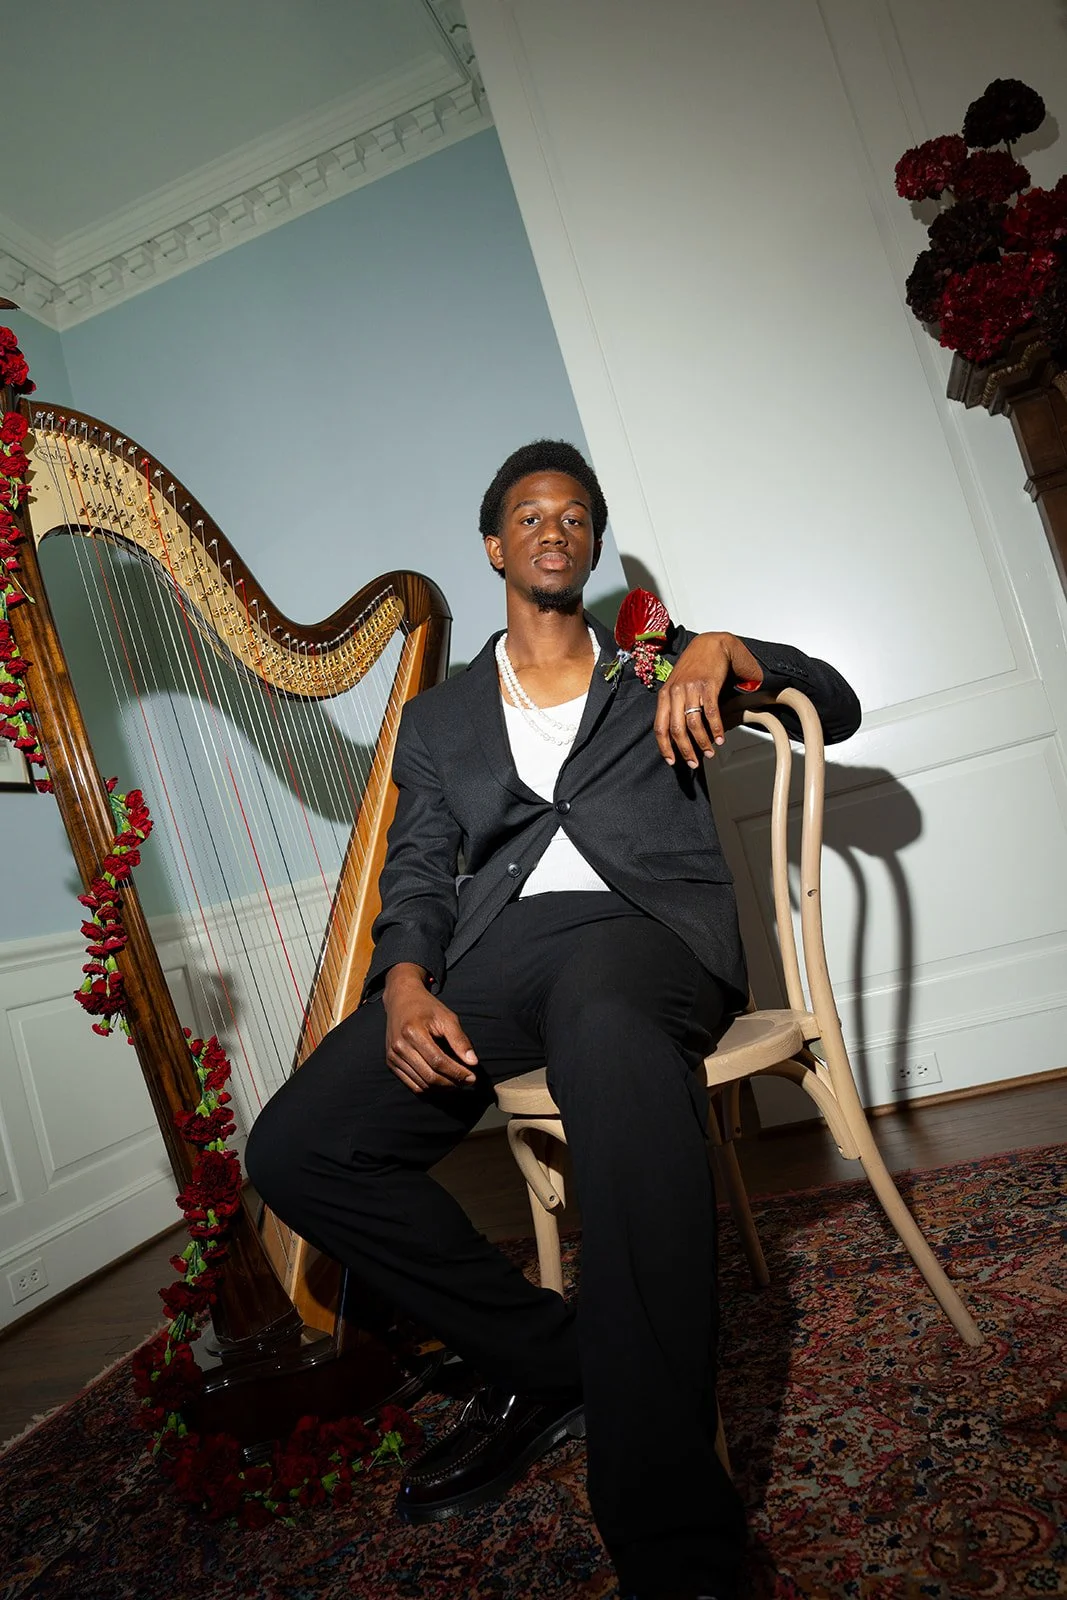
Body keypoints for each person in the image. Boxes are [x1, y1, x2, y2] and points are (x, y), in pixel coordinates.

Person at [245, 440, 861, 1600]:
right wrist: (406, 980)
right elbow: (420, 870)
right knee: (293, 1147)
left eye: (574, 515)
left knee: (607, 1027)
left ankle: (677, 1544)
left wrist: (733, 652)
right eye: (529, 514)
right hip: (491, 960)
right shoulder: (436, 724)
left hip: (645, 938)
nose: (553, 528)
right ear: (494, 546)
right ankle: (566, 1356)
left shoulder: (658, 665)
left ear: (589, 543)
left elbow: (837, 701)